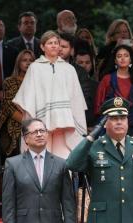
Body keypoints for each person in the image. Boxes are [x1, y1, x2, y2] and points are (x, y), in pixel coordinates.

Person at [2, 118, 76, 223]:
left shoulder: (61, 164)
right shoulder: (13, 164)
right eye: (35, 132)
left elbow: (68, 200)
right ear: (25, 138)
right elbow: (8, 201)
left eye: (42, 131)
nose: (40, 134)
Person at [13, 30, 87, 159]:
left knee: (64, 163)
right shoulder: (35, 68)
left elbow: (76, 100)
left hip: (64, 126)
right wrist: (32, 122)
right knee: (41, 161)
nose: (53, 45)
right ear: (42, 47)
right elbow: (26, 100)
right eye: (49, 43)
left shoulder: (69, 69)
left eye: (56, 43)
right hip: (42, 125)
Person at [95, 44, 133, 148]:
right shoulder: (107, 80)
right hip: (111, 125)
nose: (122, 58)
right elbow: (99, 106)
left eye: (126, 55)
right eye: (119, 56)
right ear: (115, 60)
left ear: (130, 60)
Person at [0, 49, 35, 157]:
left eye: (31, 60)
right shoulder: (10, 81)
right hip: (16, 122)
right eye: (24, 60)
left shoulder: (38, 82)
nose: (28, 63)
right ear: (18, 63)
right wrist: (27, 122)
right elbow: (9, 106)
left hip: (35, 120)